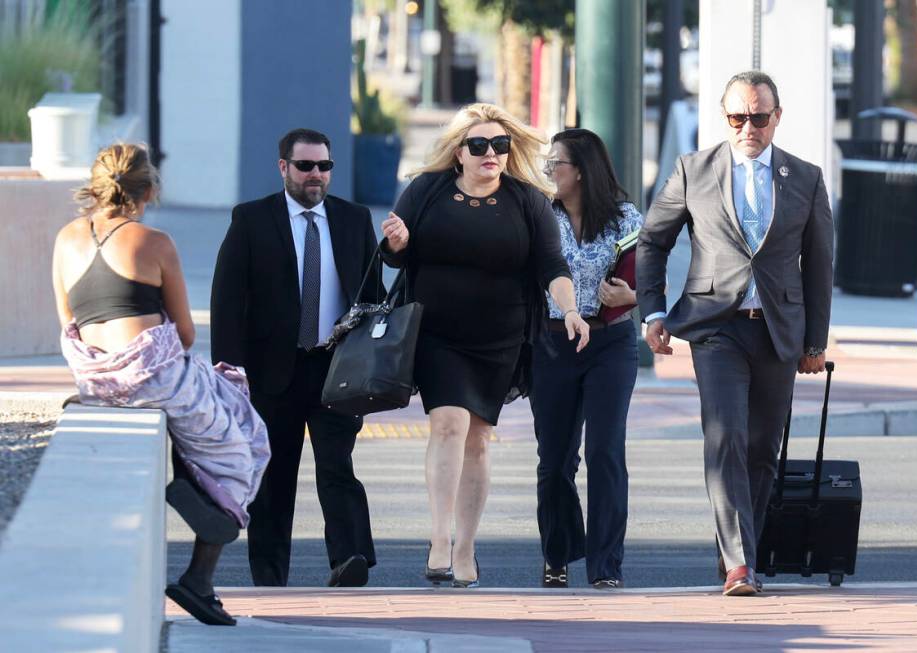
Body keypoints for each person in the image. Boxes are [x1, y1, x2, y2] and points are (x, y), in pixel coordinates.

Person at [53, 143, 271, 626]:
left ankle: (192, 477)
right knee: (244, 439)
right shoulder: (154, 242)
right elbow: (186, 334)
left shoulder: (66, 238)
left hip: (98, 377)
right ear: (150, 188)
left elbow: (68, 318)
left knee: (205, 412)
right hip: (156, 377)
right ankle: (199, 577)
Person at [636, 71, 833, 596]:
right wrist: (652, 312)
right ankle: (740, 565)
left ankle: (735, 551)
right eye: (737, 117)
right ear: (724, 118)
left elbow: (819, 264)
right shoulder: (692, 170)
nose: (748, 126)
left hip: (776, 331)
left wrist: (815, 342)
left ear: (777, 116)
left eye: (758, 116)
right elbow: (652, 242)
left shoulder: (806, 178)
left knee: (762, 450)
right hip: (714, 328)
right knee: (725, 439)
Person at [381, 103, 590, 588]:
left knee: (478, 440)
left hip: (500, 337)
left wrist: (572, 309)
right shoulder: (426, 191)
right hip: (436, 333)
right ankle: (438, 538)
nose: (491, 153)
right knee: (449, 425)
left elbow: (551, 266)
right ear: (459, 152)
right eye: (479, 145)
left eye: (500, 145)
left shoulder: (527, 201)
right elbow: (395, 257)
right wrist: (396, 241)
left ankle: (466, 545)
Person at [210, 128, 384, 588]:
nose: (316, 175)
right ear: (283, 167)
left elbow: (372, 297)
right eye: (306, 166)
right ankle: (269, 576)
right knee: (274, 477)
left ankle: (350, 558)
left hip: (335, 369)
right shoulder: (251, 220)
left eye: (324, 166)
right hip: (273, 371)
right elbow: (227, 300)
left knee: (337, 464)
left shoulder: (353, 219)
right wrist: (229, 372)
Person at [531, 128, 643, 590]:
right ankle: (557, 555)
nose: (548, 171)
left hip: (610, 343)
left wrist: (631, 296)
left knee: (605, 452)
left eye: (554, 163)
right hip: (552, 344)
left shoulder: (624, 218)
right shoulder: (539, 213)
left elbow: (644, 285)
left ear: (580, 171)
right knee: (555, 460)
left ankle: (605, 567)